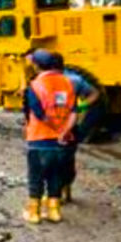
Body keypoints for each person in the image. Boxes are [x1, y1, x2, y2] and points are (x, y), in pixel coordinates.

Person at [22, 49, 78, 224]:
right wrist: (63, 131)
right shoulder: (68, 84)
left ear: (37, 66)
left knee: (36, 176)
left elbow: (37, 114)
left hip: (39, 138)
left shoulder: (35, 86)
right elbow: (74, 112)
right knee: (55, 175)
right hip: (62, 141)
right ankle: (54, 211)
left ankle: (34, 212)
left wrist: (53, 128)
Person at [53, 54, 101, 204]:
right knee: (66, 159)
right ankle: (66, 191)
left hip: (58, 126)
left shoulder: (62, 81)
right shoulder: (74, 79)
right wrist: (81, 106)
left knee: (57, 159)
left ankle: (59, 193)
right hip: (67, 125)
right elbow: (94, 93)